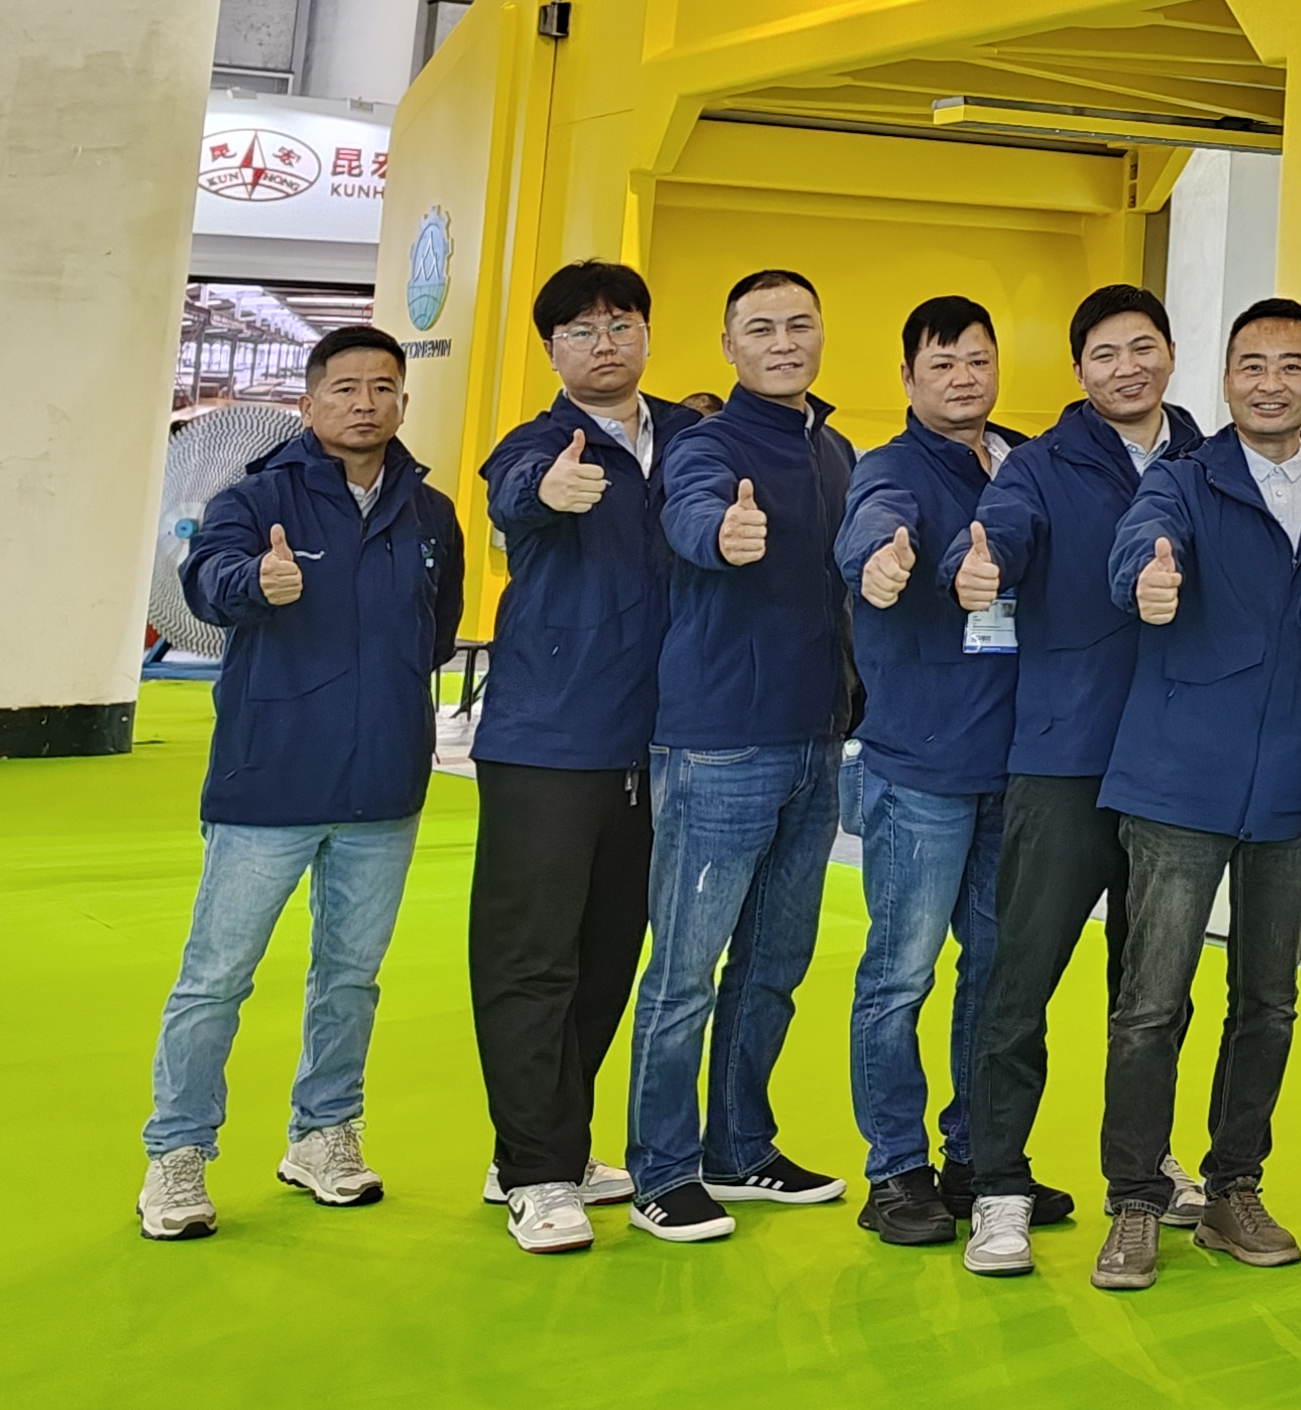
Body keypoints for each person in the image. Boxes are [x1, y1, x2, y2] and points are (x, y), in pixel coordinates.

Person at [138, 328, 460, 1240]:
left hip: (383, 787)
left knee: (350, 979)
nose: (365, 403)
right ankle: (177, 1152)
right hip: (268, 781)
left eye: (383, 387)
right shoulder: (254, 498)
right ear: (310, 401)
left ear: (403, 402)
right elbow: (204, 581)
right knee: (215, 979)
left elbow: (438, 631)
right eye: (346, 387)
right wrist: (254, 582)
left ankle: (324, 1133)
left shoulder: (431, 513)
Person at [1088, 298, 1301, 1291]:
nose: (1271, 383)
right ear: (1227, 378)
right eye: (1252, 365)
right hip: (1177, 786)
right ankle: (1135, 1198)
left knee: (1270, 1002)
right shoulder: (1182, 482)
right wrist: (1144, 579)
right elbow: (1140, 546)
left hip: (1294, 788)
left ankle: (1236, 1187)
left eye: (1291, 365)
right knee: (1151, 1003)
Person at [947, 285, 1205, 1277]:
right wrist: (976, 566)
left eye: (1142, 347)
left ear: (1170, 353)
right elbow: (997, 533)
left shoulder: (1210, 461)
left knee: (1155, 993)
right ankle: (998, 1184)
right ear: (1079, 370)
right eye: (1104, 353)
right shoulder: (1040, 467)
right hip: (1063, 763)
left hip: (1175, 769)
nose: (1126, 368)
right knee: (1019, 984)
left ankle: (1144, 1165)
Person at [622, 270, 855, 1243]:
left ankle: (739, 1147)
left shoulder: (836, 450)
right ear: (728, 345)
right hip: (719, 745)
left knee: (773, 966)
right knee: (685, 971)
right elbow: (689, 514)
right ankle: (661, 1170)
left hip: (816, 742)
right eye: (761, 328)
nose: (783, 342)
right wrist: (723, 532)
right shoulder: (706, 446)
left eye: (800, 324)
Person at [466, 261, 675, 1252]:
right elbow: (513, 495)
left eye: (621, 324)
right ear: (552, 350)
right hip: (547, 744)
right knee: (530, 958)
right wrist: (547, 491)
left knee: (606, 960)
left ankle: (550, 1139)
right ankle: (535, 1170)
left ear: (646, 333)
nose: (605, 344)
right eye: (582, 331)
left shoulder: (688, 441)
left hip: (656, 745)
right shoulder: (537, 444)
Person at [833, 297, 1020, 1245]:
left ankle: (976, 1159)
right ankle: (895, 1169)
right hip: (920, 770)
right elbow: (873, 525)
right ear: (908, 378)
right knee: (900, 976)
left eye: (977, 360)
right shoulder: (891, 468)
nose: (963, 378)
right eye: (942, 364)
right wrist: (879, 561)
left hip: (1015, 770)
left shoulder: (1022, 461)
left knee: (995, 975)